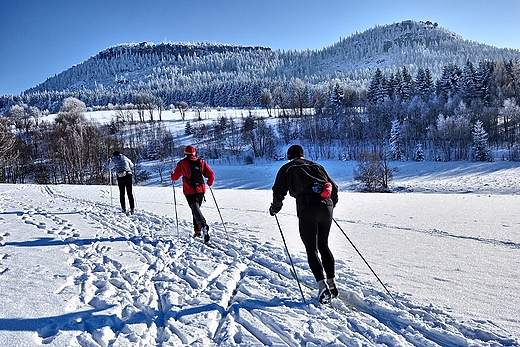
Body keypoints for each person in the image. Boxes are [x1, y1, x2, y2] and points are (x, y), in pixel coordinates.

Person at [269, 144, 339, 304]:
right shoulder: (317, 166)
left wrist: (275, 208)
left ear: (289, 156)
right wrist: (330, 205)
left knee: (311, 248)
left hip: (307, 207)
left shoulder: (287, 168)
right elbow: (334, 187)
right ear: (303, 154)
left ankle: (322, 287)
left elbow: (278, 191)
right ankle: (332, 283)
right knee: (324, 245)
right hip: (326, 206)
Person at [171, 145, 215, 242]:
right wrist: (209, 182)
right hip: (201, 190)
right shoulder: (201, 162)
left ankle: (203, 225)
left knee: (195, 209)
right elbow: (211, 174)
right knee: (196, 209)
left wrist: (172, 176)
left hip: (189, 190)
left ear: (185, 153)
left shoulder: (182, 163)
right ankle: (197, 231)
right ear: (194, 153)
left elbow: (175, 177)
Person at [109, 151, 135, 215]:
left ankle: (123, 209)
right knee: (130, 193)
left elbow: (110, 167)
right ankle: (132, 208)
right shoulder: (125, 157)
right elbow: (132, 165)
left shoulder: (114, 159)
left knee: (122, 193)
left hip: (121, 176)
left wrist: (110, 162)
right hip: (129, 175)